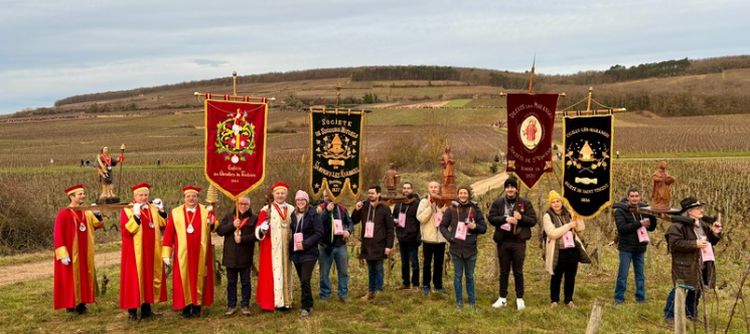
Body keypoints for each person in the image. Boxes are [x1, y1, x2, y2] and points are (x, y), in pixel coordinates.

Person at [161, 186, 218, 318]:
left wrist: (212, 222)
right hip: (183, 255)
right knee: (183, 280)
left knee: (200, 278)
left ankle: (197, 306)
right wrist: (166, 253)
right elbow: (169, 234)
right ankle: (185, 308)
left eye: (194, 196)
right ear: (184, 198)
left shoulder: (206, 210)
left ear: (197, 197)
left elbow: (214, 227)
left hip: (201, 253)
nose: (191, 199)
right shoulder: (176, 213)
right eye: (188, 196)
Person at [663, 197, 722, 324]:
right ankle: (670, 315)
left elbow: (711, 242)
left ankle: (691, 314)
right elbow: (674, 244)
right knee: (680, 288)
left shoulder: (703, 225)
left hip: (702, 262)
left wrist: (715, 233)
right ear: (689, 211)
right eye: (698, 208)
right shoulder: (677, 226)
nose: (701, 210)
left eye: (701, 207)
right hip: (685, 264)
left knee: (696, 290)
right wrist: (694, 244)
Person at [119, 183, 168, 321]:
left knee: (148, 277)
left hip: (152, 249)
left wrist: (162, 210)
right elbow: (127, 232)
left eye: (146, 195)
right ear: (134, 196)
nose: (143, 197)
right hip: (135, 251)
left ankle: (147, 309)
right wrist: (135, 216)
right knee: (134, 279)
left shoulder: (152, 208)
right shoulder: (128, 210)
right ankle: (132, 312)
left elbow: (163, 224)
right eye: (140, 195)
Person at [487, 176, 537, 310]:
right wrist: (505, 219)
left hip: (519, 242)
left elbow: (533, 220)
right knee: (504, 271)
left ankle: (520, 298)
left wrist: (521, 218)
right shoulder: (498, 203)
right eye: (508, 187)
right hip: (503, 242)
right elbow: (491, 218)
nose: (510, 189)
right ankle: (502, 298)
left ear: (516, 189)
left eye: (512, 187)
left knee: (518, 271)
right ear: (505, 189)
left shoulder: (524, 203)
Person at [53, 185, 104, 314]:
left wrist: (98, 215)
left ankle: (82, 304)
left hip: (84, 251)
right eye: (80, 194)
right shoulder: (63, 214)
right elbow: (58, 234)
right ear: (71, 197)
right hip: (70, 251)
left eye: (83, 193)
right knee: (70, 278)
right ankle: (70, 305)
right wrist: (62, 253)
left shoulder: (86, 212)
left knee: (84, 276)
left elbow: (97, 225)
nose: (83, 196)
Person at [439, 186, 486, 311]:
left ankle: (472, 303)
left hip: (471, 249)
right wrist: (450, 237)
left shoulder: (475, 209)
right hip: (456, 248)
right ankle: (459, 303)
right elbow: (442, 226)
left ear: (468, 195)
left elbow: (484, 228)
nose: (463, 195)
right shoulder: (451, 209)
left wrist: (475, 226)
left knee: (470, 277)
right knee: (458, 276)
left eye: (465, 193)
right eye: (461, 193)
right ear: (458, 195)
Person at [612, 188, 657, 304]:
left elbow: (651, 228)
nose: (634, 198)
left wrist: (652, 216)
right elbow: (622, 228)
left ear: (640, 197)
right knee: (623, 274)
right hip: (626, 247)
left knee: (640, 275)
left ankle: (641, 298)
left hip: (640, 247)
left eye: (636, 196)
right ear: (627, 197)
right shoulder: (619, 210)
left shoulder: (643, 209)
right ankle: (619, 298)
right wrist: (639, 223)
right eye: (632, 196)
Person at [255, 182, 295, 311]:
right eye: (277, 193)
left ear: (286, 194)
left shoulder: (291, 209)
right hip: (271, 247)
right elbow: (258, 230)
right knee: (271, 273)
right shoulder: (266, 210)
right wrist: (263, 228)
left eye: (282, 193)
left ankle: (286, 301)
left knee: (286, 271)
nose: (280, 195)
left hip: (287, 246)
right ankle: (272, 302)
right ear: (273, 194)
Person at [542, 191, 586, 307]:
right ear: (550, 204)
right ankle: (554, 300)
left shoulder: (569, 213)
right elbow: (552, 233)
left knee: (570, 276)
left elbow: (580, 228)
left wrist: (579, 216)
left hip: (572, 250)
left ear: (562, 202)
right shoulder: (548, 216)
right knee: (556, 276)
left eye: (558, 201)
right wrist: (568, 226)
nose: (556, 204)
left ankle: (569, 300)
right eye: (553, 202)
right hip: (558, 250)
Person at [215, 195, 257, 316]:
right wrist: (232, 225)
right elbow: (220, 231)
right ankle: (231, 305)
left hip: (245, 256)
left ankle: (245, 305)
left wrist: (242, 239)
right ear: (236, 205)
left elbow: (256, 236)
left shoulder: (254, 218)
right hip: (230, 256)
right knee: (231, 282)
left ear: (249, 205)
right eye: (240, 204)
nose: (243, 206)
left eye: (245, 204)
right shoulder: (229, 217)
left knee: (246, 282)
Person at [352, 185, 394, 301]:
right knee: (371, 269)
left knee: (379, 268)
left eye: (373, 193)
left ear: (378, 194)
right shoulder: (364, 206)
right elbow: (354, 220)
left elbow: (390, 229)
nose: (370, 195)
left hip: (380, 243)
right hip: (367, 243)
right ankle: (371, 291)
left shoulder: (385, 208)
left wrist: (389, 245)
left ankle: (379, 292)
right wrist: (356, 209)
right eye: (369, 193)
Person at [290, 190, 323, 318]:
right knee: (303, 280)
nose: (300, 202)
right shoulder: (293, 214)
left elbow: (319, 233)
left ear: (307, 201)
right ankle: (309, 304)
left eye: (303, 200)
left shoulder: (313, 214)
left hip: (309, 253)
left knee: (305, 279)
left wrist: (306, 243)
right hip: (296, 253)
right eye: (298, 200)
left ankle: (304, 307)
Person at [317, 189, 354, 302]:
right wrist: (327, 211)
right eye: (325, 196)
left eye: (329, 195)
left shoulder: (342, 208)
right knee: (324, 273)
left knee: (343, 271)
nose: (327, 198)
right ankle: (325, 294)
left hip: (340, 245)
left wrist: (349, 231)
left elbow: (350, 222)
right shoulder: (320, 209)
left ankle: (343, 294)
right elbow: (318, 223)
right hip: (325, 246)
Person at [416, 181, 447, 295]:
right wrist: (430, 206)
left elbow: (448, 219)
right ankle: (426, 285)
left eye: (436, 187)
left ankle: (438, 286)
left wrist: (443, 210)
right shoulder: (424, 201)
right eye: (431, 187)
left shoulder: (444, 202)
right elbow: (420, 218)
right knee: (427, 263)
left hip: (441, 239)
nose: (434, 189)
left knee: (439, 263)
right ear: (428, 189)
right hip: (428, 239)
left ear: (439, 189)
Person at [393, 182, 421, 291]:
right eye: (404, 188)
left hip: (412, 237)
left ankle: (416, 284)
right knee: (404, 262)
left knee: (414, 261)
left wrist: (418, 236)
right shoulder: (399, 203)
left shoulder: (417, 203)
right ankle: (405, 283)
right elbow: (394, 216)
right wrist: (394, 221)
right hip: (401, 236)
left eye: (408, 188)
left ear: (412, 189)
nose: (406, 190)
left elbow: (419, 222)